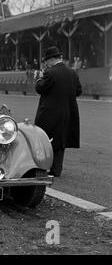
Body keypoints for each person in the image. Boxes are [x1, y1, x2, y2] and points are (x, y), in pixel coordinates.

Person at [35, 46, 82, 177]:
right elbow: (78, 91)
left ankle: (44, 167)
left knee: (45, 139)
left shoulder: (50, 72)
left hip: (49, 113)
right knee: (61, 141)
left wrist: (39, 78)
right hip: (68, 112)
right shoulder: (72, 72)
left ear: (50, 60)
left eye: (46, 61)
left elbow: (40, 88)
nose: (45, 64)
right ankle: (57, 170)